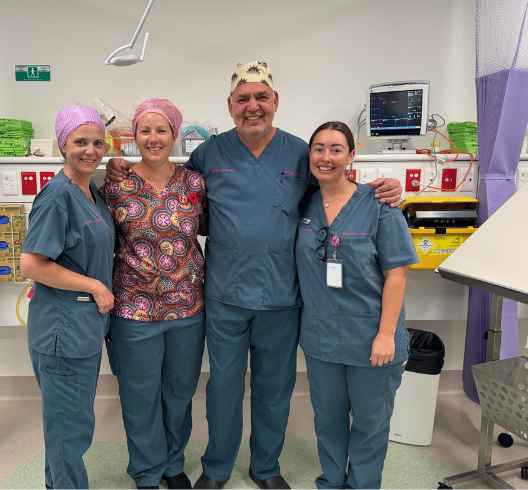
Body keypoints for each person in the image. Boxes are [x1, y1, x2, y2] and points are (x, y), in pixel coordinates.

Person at [106, 61, 403, 490]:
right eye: (242, 99)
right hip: (225, 295)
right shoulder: (209, 154)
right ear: (230, 106)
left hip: (282, 296)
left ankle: (265, 467)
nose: (252, 106)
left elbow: (335, 182)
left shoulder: (301, 152)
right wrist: (119, 167)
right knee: (223, 389)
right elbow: (167, 186)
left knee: (274, 389)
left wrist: (386, 187)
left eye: (261, 97)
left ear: (275, 102)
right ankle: (216, 468)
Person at [295, 121, 418, 489]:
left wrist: (385, 335)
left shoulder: (380, 205)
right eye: (318, 148)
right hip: (321, 338)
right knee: (328, 420)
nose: (326, 157)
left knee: (369, 423)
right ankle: (330, 483)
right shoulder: (303, 202)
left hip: (372, 337)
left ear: (352, 155)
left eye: (336, 149)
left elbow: (396, 275)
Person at [99, 98, 208, 490]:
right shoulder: (116, 186)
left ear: (174, 135)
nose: (153, 138)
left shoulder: (194, 183)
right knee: (140, 397)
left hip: (187, 307)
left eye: (161, 130)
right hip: (133, 310)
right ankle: (146, 472)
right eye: (145, 130)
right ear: (135, 137)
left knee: (179, 395)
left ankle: (172, 465)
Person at [21, 105, 116, 490]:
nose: (90, 150)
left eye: (97, 143)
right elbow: (31, 264)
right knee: (69, 430)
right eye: (80, 142)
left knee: (66, 424)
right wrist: (94, 286)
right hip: (63, 332)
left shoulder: (90, 189)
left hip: (84, 328)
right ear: (63, 144)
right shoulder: (57, 195)